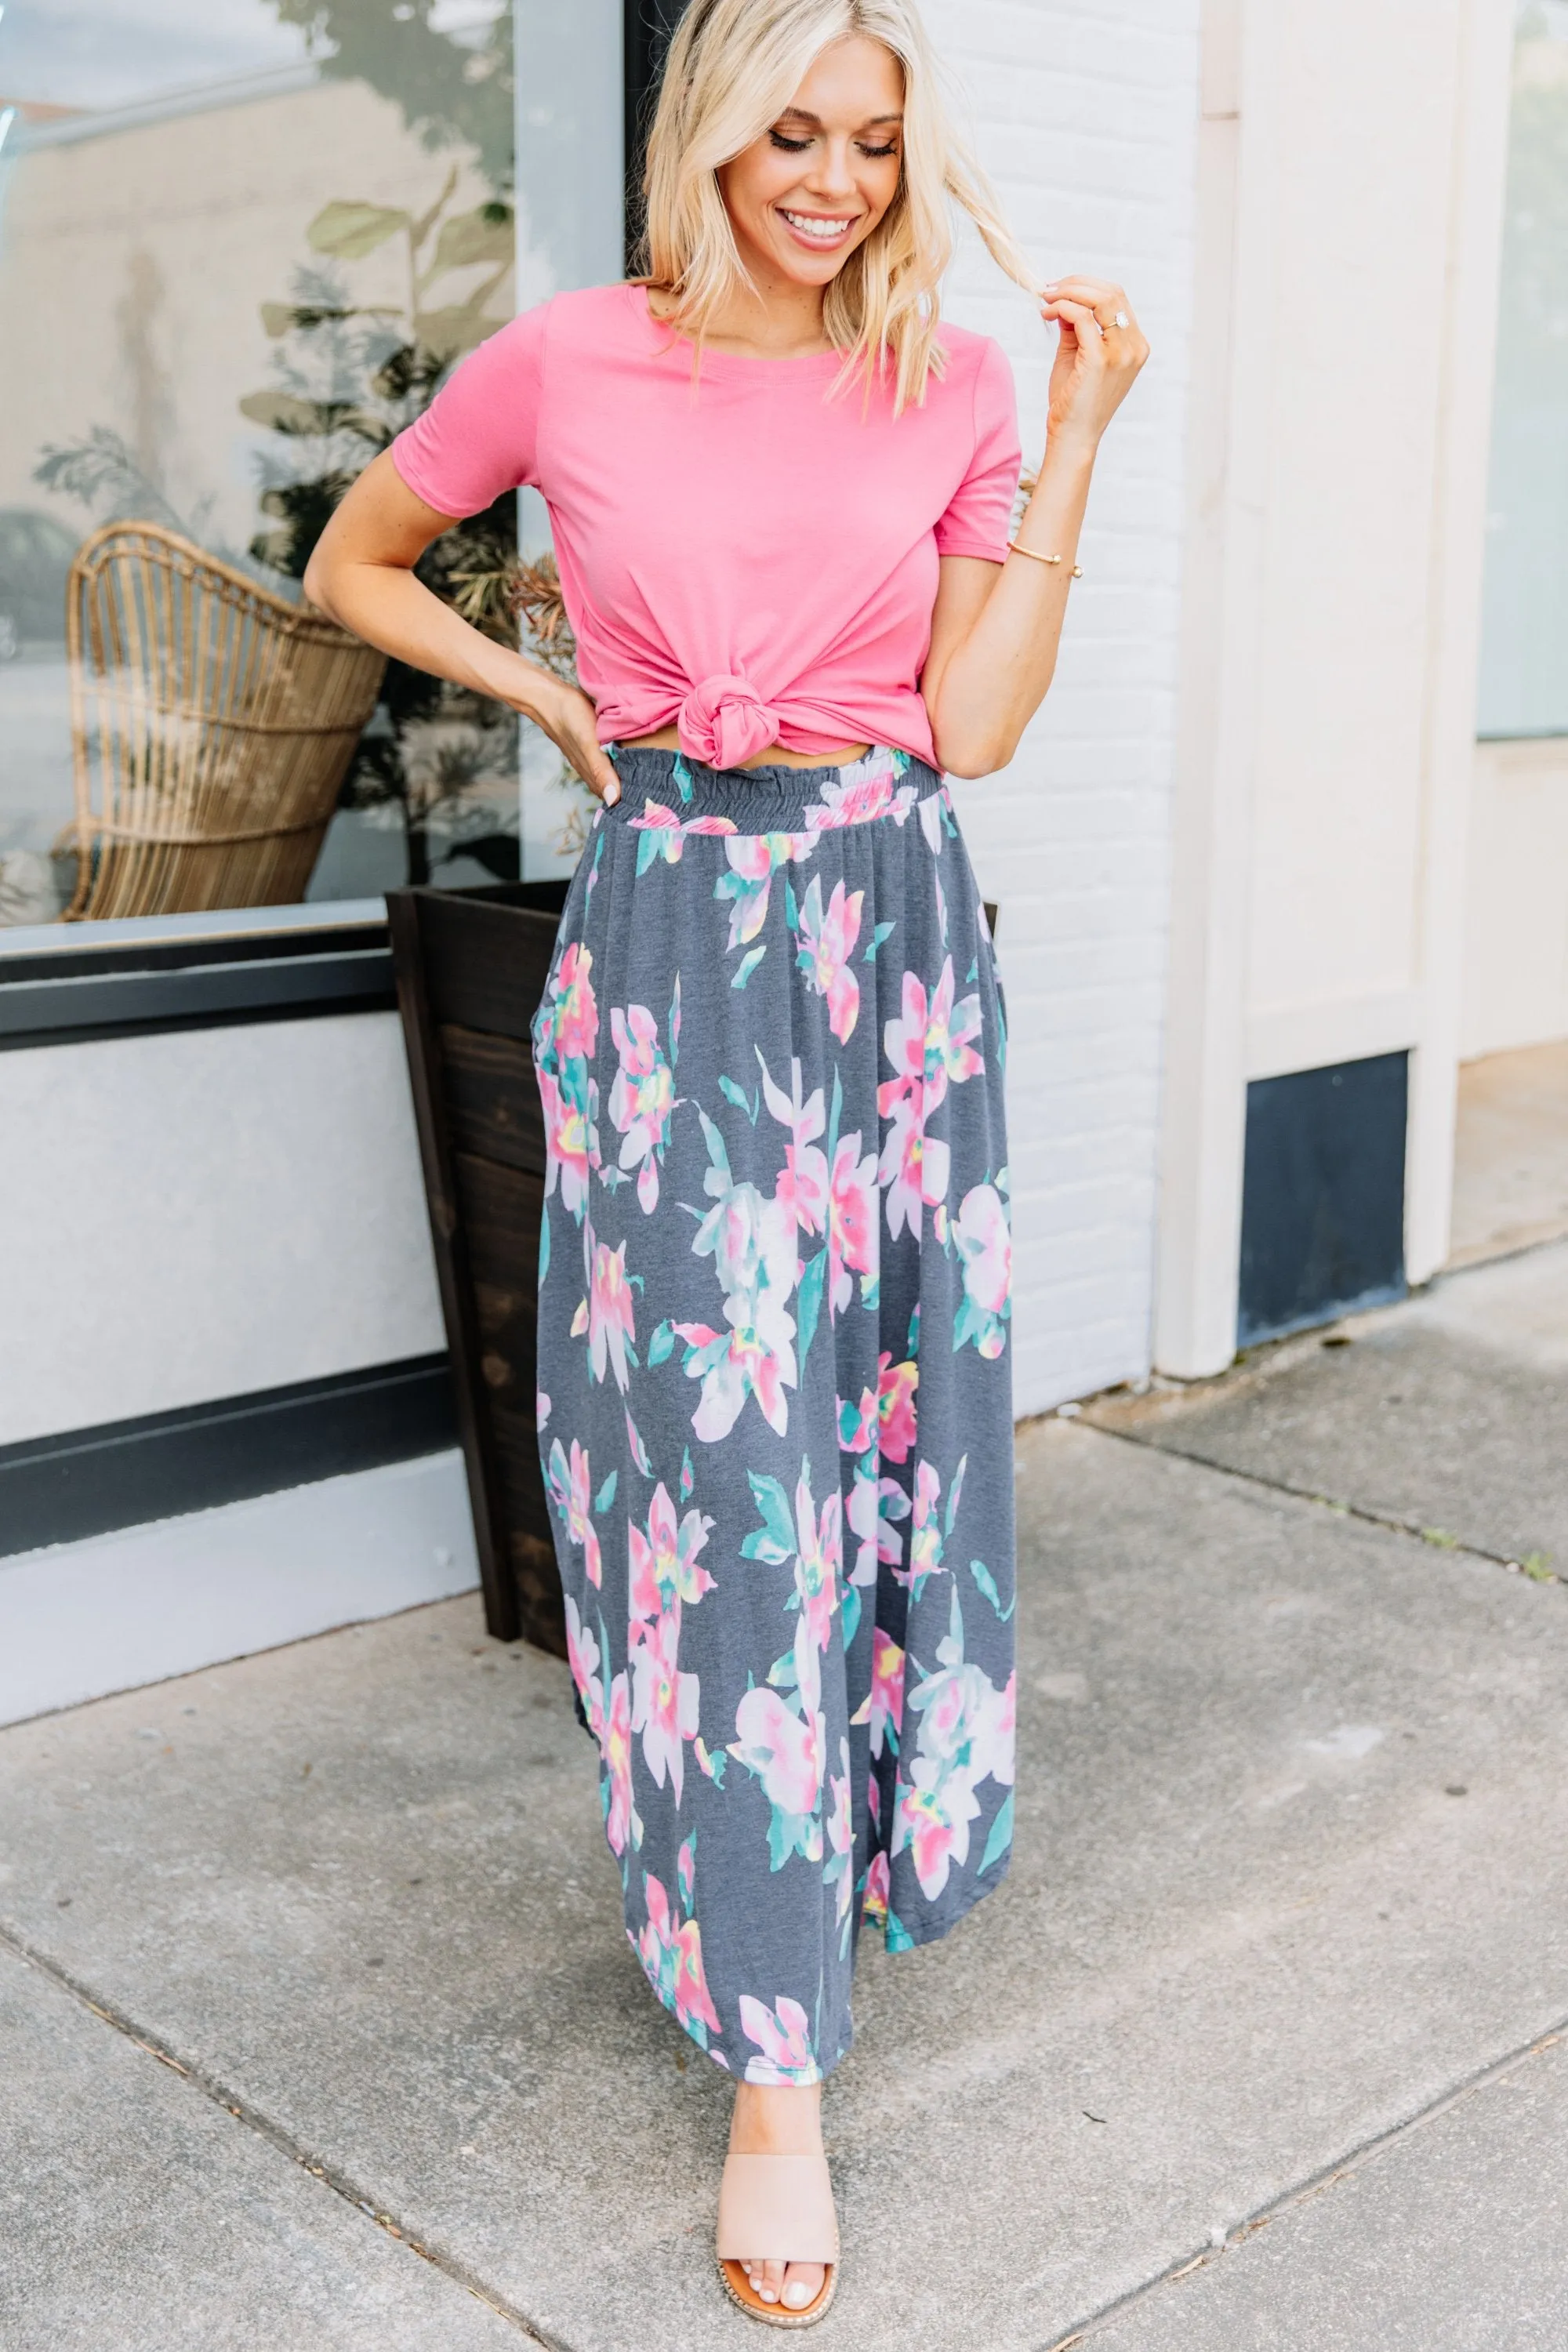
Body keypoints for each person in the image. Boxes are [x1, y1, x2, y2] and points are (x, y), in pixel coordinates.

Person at [306, 0, 1145, 2324]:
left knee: (892, 1424)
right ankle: (776, 2059)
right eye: (795, 129)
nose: (838, 178)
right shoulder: (569, 359)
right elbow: (361, 557)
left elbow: (971, 722)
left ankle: (867, 1846)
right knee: (717, 1454)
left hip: (894, 934)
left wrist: (1077, 431)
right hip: (676, 930)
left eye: (874, 141)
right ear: (707, 134)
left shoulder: (953, 382)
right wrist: (552, 697)